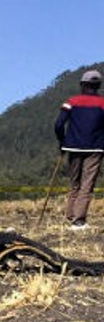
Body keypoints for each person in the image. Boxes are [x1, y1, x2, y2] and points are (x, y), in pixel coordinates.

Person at [55, 69, 104, 229]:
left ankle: (71, 215)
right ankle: (78, 220)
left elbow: (59, 124)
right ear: (98, 86)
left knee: (74, 183)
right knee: (86, 184)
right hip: (95, 148)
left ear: (82, 85)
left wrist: (62, 142)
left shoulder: (72, 101)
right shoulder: (102, 104)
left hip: (73, 147)